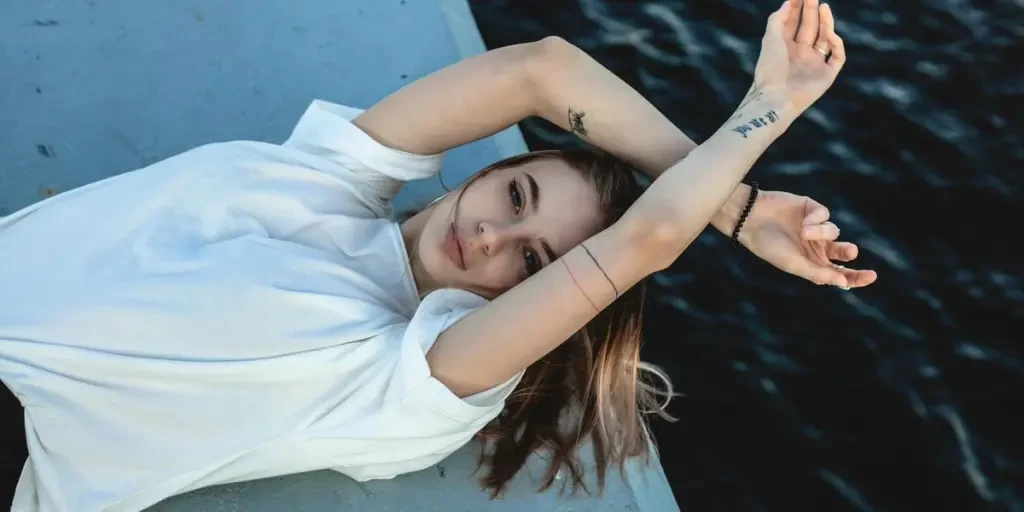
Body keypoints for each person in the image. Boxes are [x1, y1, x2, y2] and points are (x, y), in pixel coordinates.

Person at [0, 0, 876, 509]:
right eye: (516, 196)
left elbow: (643, 242)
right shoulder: (332, 177)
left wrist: (771, 106)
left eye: (534, 266)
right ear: (495, 167)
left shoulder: (414, 376)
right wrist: (736, 203)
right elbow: (538, 70)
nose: (492, 235)